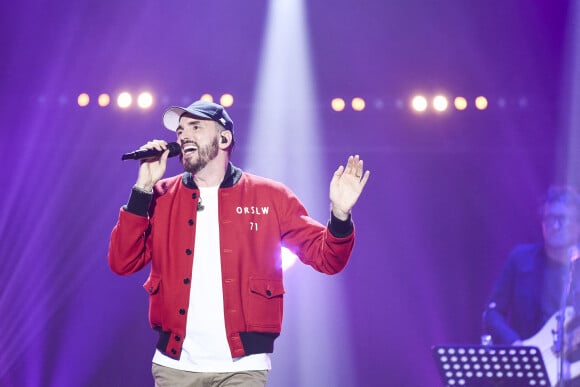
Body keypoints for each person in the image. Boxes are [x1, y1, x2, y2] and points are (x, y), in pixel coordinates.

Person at [107, 100, 370, 386]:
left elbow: (327, 259)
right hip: (174, 368)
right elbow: (122, 262)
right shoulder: (161, 195)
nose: (182, 136)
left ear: (224, 138)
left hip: (242, 369)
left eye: (195, 127)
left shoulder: (270, 196)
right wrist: (142, 188)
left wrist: (340, 215)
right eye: (180, 131)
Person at [482, 185, 580, 385]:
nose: (554, 225)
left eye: (563, 219)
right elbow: (492, 314)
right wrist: (515, 344)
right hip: (527, 371)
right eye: (549, 218)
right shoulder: (521, 259)